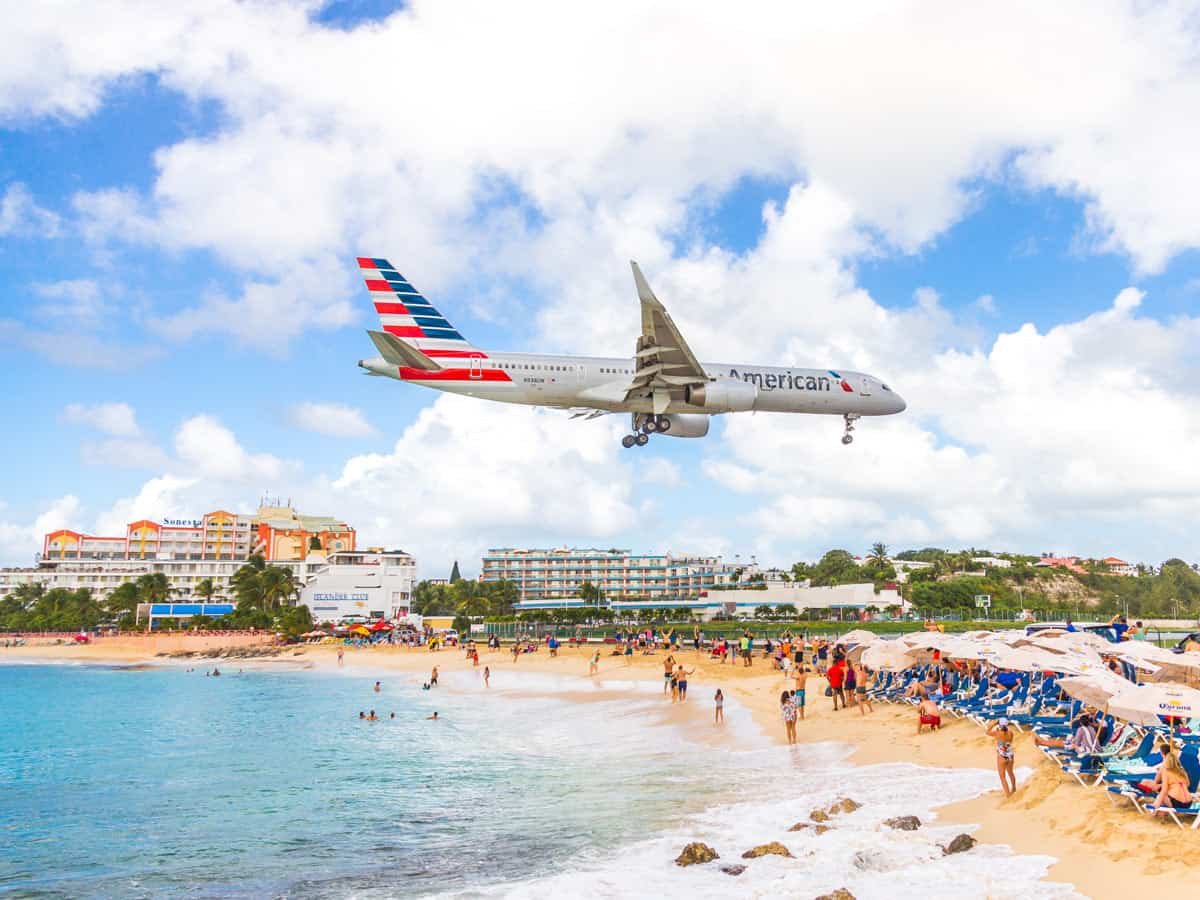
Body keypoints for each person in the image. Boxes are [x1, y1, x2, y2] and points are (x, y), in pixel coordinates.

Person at [1149, 740, 1197, 812]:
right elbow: (1187, 784)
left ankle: (1154, 812)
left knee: (1161, 796)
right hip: (1189, 803)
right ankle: (1162, 813)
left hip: (1177, 803)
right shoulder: (1182, 771)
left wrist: (1156, 805)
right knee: (1168, 790)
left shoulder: (1166, 772)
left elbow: (1164, 791)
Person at [987, 718, 1017, 796]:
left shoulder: (997, 733)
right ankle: (1014, 788)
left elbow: (987, 731)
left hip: (1002, 756)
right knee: (1011, 773)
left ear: (999, 724)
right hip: (1010, 754)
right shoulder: (1011, 732)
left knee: (1002, 777)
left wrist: (994, 724)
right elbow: (1009, 742)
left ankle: (1008, 795)